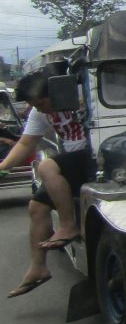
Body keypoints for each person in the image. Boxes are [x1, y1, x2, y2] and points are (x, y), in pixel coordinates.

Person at [0, 70, 95, 298]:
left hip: (95, 156)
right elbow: (25, 143)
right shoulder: (38, 112)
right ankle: (38, 267)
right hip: (72, 162)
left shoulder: (85, 94)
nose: (40, 108)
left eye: (41, 102)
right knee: (36, 207)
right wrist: (3, 167)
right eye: (35, 104)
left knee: (46, 167)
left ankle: (68, 225)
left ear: (57, 90)